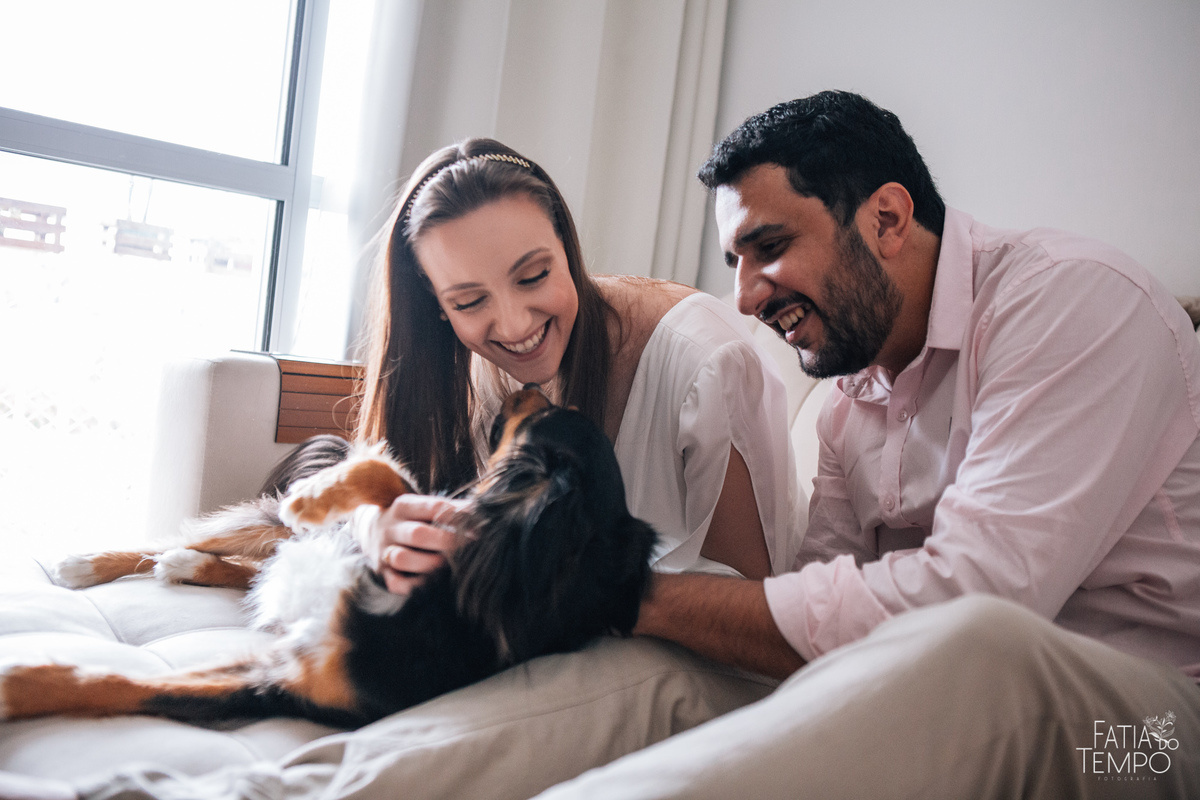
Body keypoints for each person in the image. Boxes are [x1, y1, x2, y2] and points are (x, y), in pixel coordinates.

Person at [534, 91, 1200, 797]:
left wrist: (638, 596)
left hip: (1157, 741)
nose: (745, 298)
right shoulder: (847, 407)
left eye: (770, 248)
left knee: (983, 642)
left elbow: (979, 594)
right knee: (675, 672)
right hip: (955, 697)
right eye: (735, 261)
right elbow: (814, 623)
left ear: (887, 219)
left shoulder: (1071, 301)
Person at [351, 137, 801, 593]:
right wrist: (372, 524)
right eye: (468, 302)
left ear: (566, 244)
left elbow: (752, 603)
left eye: (533, 276)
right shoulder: (468, 364)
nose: (513, 326)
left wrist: (565, 585)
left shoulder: (704, 362)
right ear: (437, 306)